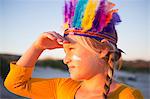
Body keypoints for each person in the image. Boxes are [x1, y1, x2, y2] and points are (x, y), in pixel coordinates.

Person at [4, 0, 144, 99]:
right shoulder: (61, 87)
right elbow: (15, 84)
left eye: (71, 49)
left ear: (103, 50)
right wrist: (37, 47)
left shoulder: (128, 96)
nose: (65, 59)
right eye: (65, 51)